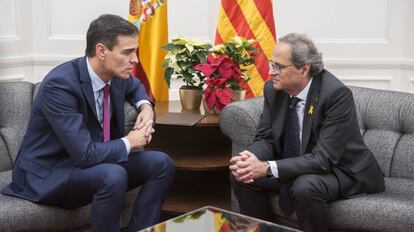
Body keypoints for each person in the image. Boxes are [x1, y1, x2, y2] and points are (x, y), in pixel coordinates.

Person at [2, 14, 175, 232]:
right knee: (112, 174)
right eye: (127, 52)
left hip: (92, 163)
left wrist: (146, 108)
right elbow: (85, 154)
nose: (135, 60)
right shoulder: (60, 85)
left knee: (162, 163)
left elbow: (136, 87)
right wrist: (130, 142)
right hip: (50, 172)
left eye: (135, 51)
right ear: (101, 51)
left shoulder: (116, 74)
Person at [229, 33, 385, 232]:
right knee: (241, 174)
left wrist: (268, 167)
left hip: (343, 170)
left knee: (305, 186)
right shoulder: (274, 90)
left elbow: (323, 159)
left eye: (278, 66)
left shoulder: (335, 95)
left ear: (304, 69)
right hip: (301, 164)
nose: (270, 72)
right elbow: (266, 138)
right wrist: (250, 157)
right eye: (271, 63)